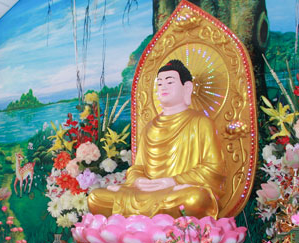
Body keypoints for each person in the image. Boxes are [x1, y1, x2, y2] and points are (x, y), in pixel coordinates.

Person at [88, 59, 226, 218]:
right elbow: (138, 167)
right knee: (95, 198)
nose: (163, 87)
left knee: (195, 199)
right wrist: (138, 180)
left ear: (187, 87)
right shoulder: (149, 128)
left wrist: (174, 181)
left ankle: (142, 217)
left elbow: (213, 169)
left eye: (170, 82)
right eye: (159, 84)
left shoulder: (201, 122)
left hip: (177, 191)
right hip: (146, 193)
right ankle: (151, 216)